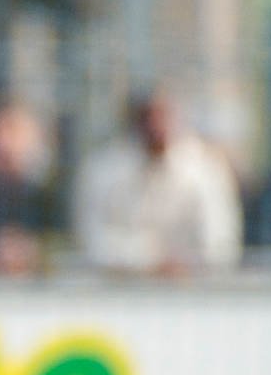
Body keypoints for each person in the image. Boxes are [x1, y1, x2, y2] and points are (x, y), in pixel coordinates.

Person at [70, 90, 241, 275]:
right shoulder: (103, 170)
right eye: (148, 118)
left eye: (164, 117)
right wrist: (149, 259)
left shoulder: (206, 171)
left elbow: (220, 244)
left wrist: (178, 264)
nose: (156, 127)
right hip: (119, 294)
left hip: (194, 295)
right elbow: (93, 242)